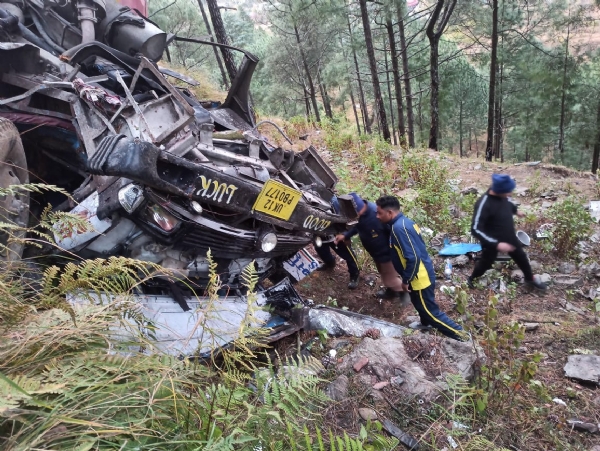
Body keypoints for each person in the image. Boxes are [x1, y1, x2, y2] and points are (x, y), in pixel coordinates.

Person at [376, 195, 468, 341]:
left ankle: (462, 336)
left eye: (379, 213)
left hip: (419, 277)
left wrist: (406, 280)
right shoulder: (404, 222)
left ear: (390, 213)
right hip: (421, 272)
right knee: (420, 304)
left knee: (431, 312)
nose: (377, 216)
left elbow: (412, 257)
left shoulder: (399, 229)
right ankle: (425, 324)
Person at [467, 173, 547, 291]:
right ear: (499, 190)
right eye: (508, 191)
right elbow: (475, 229)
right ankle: (472, 279)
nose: (510, 194)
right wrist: (497, 244)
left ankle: (529, 278)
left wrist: (516, 211)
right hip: (492, 240)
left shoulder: (503, 196)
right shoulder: (483, 203)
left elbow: (508, 204)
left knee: (521, 257)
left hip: (508, 235)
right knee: (486, 263)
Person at [333, 192, 406, 299]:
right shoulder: (359, 215)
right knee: (383, 273)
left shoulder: (378, 216)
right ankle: (392, 291)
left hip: (387, 254)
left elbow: (395, 234)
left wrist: (394, 253)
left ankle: (405, 296)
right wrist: (345, 235)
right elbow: (357, 226)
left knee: (390, 279)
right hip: (376, 253)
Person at [314, 195, 360, 289]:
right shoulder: (308, 197)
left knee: (348, 254)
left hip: (336, 234)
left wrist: (346, 235)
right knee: (321, 249)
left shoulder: (335, 202)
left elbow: (350, 220)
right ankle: (329, 263)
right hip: (319, 231)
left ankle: (355, 274)